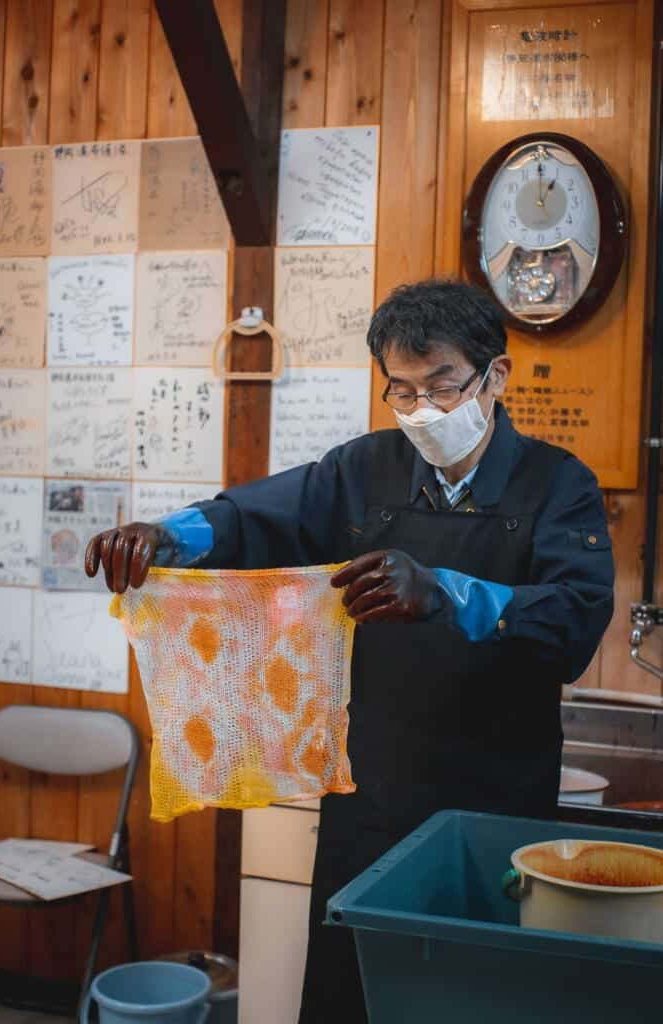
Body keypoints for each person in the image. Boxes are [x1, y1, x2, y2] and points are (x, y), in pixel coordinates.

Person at [85, 279, 614, 1023]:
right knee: (350, 990)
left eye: (441, 387)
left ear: (493, 377)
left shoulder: (557, 485)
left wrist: (443, 593)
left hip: (494, 800)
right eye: (401, 392)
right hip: (372, 793)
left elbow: (573, 620)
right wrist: (170, 534)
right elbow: (259, 515)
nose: (423, 412)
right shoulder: (363, 471)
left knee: (473, 993)